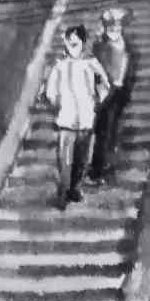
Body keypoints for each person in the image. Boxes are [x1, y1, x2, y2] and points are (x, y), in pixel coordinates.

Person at [43, 25, 110, 210]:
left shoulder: (91, 63)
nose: (72, 44)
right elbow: (51, 91)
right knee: (65, 159)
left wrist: (97, 100)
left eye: (76, 41)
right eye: (69, 40)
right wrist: (57, 103)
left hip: (86, 118)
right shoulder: (60, 65)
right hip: (66, 119)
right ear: (65, 42)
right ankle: (63, 192)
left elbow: (104, 84)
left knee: (81, 158)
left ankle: (74, 188)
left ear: (82, 42)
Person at [89, 8, 137, 184]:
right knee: (102, 131)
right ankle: (97, 170)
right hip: (104, 93)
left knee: (113, 129)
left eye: (118, 25)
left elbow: (130, 69)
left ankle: (107, 165)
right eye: (111, 25)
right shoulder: (99, 46)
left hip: (119, 92)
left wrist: (126, 89)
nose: (115, 28)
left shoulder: (127, 46)